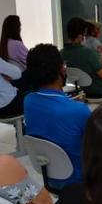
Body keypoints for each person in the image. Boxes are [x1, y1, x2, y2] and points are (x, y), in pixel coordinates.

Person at [23, 44, 91, 189]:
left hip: (49, 176)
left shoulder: (28, 101)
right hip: (79, 180)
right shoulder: (79, 110)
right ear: (61, 68)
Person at [61, 17, 102, 98]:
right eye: (85, 34)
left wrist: (97, 61)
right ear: (80, 36)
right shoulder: (88, 53)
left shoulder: (62, 53)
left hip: (85, 90)